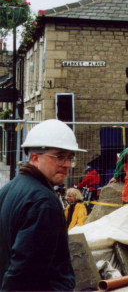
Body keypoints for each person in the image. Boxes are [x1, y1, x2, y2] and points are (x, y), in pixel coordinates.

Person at [0, 119, 85, 291]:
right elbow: (25, 271)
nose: (67, 164)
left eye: (70, 157)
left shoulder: (9, 188)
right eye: (59, 156)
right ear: (34, 158)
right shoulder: (44, 203)